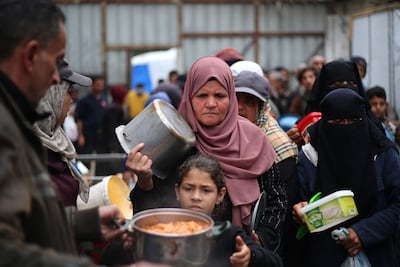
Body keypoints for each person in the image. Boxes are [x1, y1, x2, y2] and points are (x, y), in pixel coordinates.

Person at [0, 1, 132, 266]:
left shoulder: (17, 120)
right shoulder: (5, 130)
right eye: (56, 61)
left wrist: (81, 223)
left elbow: (25, 223)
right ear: (30, 55)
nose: (56, 80)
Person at [126, 56, 286, 254]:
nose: (211, 104)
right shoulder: (175, 140)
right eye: (202, 96)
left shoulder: (254, 139)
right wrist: (144, 179)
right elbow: (151, 210)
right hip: (181, 252)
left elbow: (276, 199)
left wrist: (261, 239)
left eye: (220, 96)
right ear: (189, 97)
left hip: (240, 253)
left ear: (231, 97)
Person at [293, 88, 400, 267]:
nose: (346, 126)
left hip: (377, 256)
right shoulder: (309, 158)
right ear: (325, 123)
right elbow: (297, 206)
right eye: (337, 121)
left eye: (353, 120)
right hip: (322, 257)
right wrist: (299, 211)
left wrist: (362, 233)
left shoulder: (383, 155)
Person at [233, 70, 300, 266]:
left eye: (249, 102)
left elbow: (281, 204)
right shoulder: (222, 136)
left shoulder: (275, 144)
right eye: (236, 99)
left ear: (261, 107)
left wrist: (262, 237)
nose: (240, 107)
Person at [175, 153, 283, 267]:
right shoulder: (163, 228)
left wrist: (250, 255)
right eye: (188, 189)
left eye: (206, 190)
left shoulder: (227, 234)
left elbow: (276, 262)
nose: (196, 197)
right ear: (177, 191)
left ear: (220, 195)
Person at [34, 59, 92, 207]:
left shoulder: (56, 138)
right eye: (68, 91)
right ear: (50, 96)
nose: (72, 99)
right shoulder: (24, 151)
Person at [287, 59, 382, 147]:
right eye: (337, 85)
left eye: (351, 84)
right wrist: (292, 143)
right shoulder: (307, 126)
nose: (346, 90)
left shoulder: (374, 128)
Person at [75, 74, 108, 154]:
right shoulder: (84, 101)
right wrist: (80, 135)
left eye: (101, 85)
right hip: (88, 133)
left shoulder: (104, 99)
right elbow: (79, 119)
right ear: (92, 85)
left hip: (101, 134)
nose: (100, 87)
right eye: (98, 85)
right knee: (87, 154)